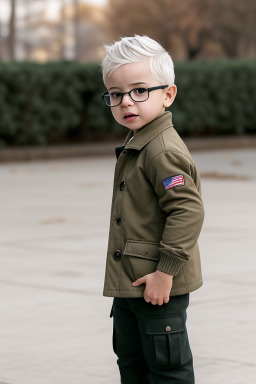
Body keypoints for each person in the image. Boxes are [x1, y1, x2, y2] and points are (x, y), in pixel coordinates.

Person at [101, 35, 204, 384]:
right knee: (132, 365)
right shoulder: (139, 143)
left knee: (166, 371)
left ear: (168, 94)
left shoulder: (161, 150)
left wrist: (166, 273)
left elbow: (187, 211)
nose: (127, 102)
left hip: (159, 286)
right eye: (116, 94)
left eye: (140, 90)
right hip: (132, 284)